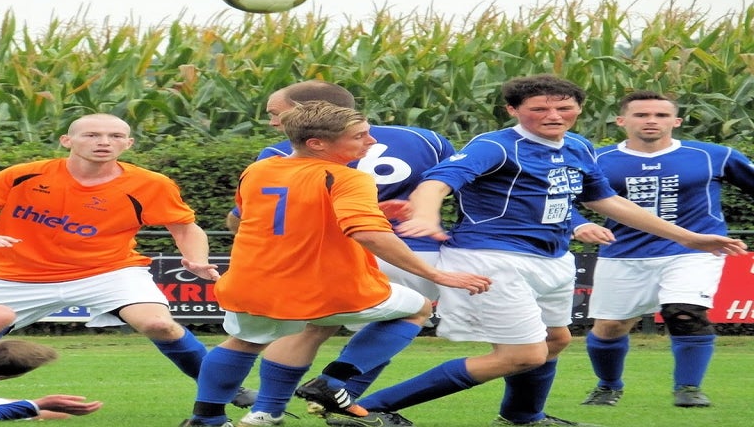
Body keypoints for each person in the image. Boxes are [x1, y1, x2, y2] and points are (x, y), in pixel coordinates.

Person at [333, 75, 747, 427]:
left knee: (555, 339)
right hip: (494, 259)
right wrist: (426, 215)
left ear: (578, 109)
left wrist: (688, 238)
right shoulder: (495, 145)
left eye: (564, 108)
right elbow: (437, 182)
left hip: (553, 258)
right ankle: (370, 409)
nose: (553, 116)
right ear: (513, 110)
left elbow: (606, 201)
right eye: (539, 109)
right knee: (520, 355)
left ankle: (522, 416)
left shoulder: (579, 147)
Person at [180, 101, 492, 427]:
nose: (371, 141)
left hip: (254, 282)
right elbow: (368, 234)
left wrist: (378, 210)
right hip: (321, 286)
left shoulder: (258, 170)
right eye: (359, 136)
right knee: (418, 308)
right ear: (317, 143)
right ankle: (332, 382)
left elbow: (284, 213)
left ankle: (208, 418)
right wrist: (434, 273)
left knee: (243, 343)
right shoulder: (347, 177)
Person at [0, 113, 255, 407]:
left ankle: (224, 388)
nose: (104, 141)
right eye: (92, 135)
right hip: (17, 277)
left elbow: (185, 228)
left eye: (115, 136)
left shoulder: (150, 184)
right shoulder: (22, 175)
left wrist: (197, 260)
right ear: (67, 141)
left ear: (128, 144)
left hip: (108, 272)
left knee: (159, 324)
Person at [224, 80, 456, 420]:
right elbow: (455, 185)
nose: (274, 123)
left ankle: (268, 410)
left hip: (334, 254)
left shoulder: (281, 154)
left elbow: (249, 218)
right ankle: (337, 397)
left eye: (277, 114)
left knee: (310, 330)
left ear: (311, 111)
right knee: (390, 327)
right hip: (413, 248)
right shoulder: (425, 138)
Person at [570, 91, 754, 408]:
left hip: (695, 251)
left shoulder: (713, 155)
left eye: (661, 115)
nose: (651, 121)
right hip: (623, 254)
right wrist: (578, 225)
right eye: (641, 115)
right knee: (610, 327)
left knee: (685, 312)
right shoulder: (597, 160)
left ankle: (688, 388)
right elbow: (558, 200)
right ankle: (608, 386)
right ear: (621, 120)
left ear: (676, 121)